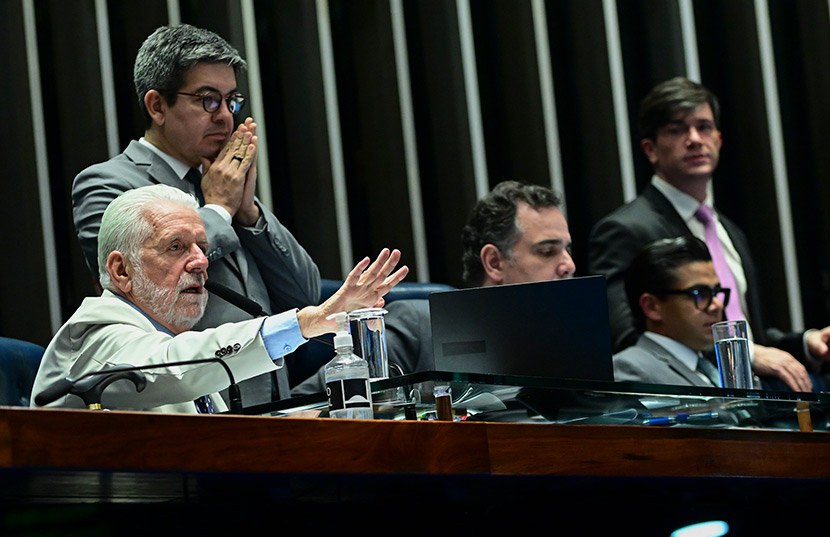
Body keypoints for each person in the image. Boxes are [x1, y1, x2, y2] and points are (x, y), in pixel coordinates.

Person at [71, 24, 319, 406]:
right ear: (157, 106)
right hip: (192, 403)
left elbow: (305, 294)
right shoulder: (107, 183)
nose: (225, 117)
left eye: (231, 100)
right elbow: (137, 289)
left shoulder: (221, 181)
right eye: (208, 100)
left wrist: (247, 212)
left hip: (270, 395)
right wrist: (219, 209)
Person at [31, 185, 408, 413]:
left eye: (201, 246)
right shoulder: (96, 335)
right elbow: (175, 368)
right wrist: (305, 323)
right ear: (121, 270)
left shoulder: (168, 340)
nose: (200, 261)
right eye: (176, 247)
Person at [588, 76, 830, 391]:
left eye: (703, 127)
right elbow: (632, 341)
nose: (694, 139)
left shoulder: (727, 229)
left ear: (718, 139)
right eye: (676, 130)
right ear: (650, 149)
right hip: (698, 396)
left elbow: (748, 332)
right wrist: (743, 354)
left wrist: (808, 343)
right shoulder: (624, 229)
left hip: (757, 387)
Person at [290, 180, 576, 394]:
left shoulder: (570, 340)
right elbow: (300, 410)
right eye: (547, 251)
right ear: (494, 262)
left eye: (567, 250)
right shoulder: (419, 327)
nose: (569, 265)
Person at [613, 236, 731, 387]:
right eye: (699, 294)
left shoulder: (715, 365)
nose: (717, 305)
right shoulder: (630, 369)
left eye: (716, 292)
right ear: (651, 307)